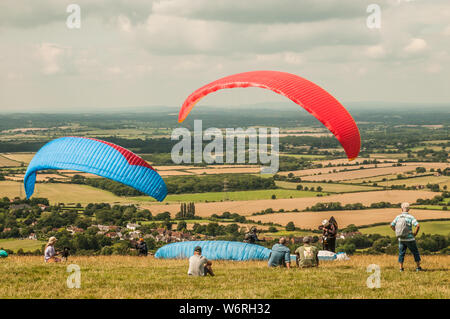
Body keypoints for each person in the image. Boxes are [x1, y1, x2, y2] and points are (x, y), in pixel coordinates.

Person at [391, 202, 422, 272]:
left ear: (401, 209)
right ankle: (418, 267)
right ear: (409, 209)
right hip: (410, 238)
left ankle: (401, 268)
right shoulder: (410, 217)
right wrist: (415, 233)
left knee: (401, 253)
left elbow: (391, 225)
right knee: (415, 252)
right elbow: (417, 225)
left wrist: (397, 232)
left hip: (401, 238)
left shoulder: (398, 217)